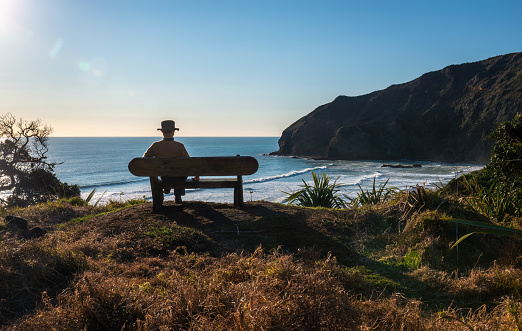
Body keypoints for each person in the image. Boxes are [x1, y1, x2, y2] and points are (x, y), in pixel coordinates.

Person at [143, 120, 197, 203]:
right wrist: (197, 176)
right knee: (181, 173)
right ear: (174, 132)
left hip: (165, 176)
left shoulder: (156, 145)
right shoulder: (179, 146)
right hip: (179, 176)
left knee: (167, 173)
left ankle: (167, 187)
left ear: (161, 131)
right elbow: (188, 162)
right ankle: (178, 197)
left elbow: (145, 158)